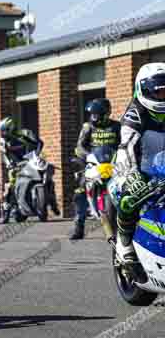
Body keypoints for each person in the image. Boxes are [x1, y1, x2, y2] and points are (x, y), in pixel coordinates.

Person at [114, 64, 165, 264]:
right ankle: (124, 242)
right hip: (139, 164)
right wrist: (133, 175)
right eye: (158, 91)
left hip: (163, 161)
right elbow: (127, 146)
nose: (162, 95)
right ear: (143, 90)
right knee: (130, 198)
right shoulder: (135, 113)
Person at [70, 98, 120, 240]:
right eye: (92, 115)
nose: (94, 118)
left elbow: (125, 143)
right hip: (93, 162)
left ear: (106, 113)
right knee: (80, 190)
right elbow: (80, 146)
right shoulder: (87, 127)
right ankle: (79, 225)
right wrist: (86, 156)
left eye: (97, 114)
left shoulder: (117, 126)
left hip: (114, 163)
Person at [0, 117, 44, 224]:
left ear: (11, 127)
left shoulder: (25, 133)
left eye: (4, 130)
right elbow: (4, 154)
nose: (2, 133)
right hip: (15, 164)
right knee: (11, 185)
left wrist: (36, 154)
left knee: (44, 173)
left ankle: (48, 200)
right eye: (1, 130)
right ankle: (6, 209)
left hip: (29, 161)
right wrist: (9, 164)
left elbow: (39, 143)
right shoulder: (3, 140)